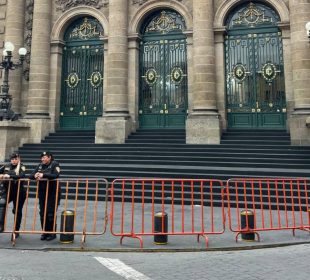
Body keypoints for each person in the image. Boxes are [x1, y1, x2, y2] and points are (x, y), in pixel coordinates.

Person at [29, 151, 61, 241]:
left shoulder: (55, 164)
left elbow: (56, 175)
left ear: (49, 157)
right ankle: (45, 232)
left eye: (44, 157)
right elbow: (30, 176)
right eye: (42, 157)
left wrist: (43, 175)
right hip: (42, 192)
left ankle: (52, 233)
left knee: (50, 213)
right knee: (43, 213)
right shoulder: (39, 165)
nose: (42, 159)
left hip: (53, 192)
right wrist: (35, 175)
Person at [0, 153, 26, 238]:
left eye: (15, 159)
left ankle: (16, 230)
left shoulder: (22, 166)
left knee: (17, 211)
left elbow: (22, 175)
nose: (14, 161)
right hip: (8, 191)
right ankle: (1, 226)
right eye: (12, 159)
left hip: (19, 192)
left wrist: (9, 175)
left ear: (18, 159)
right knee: (1, 204)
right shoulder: (6, 166)